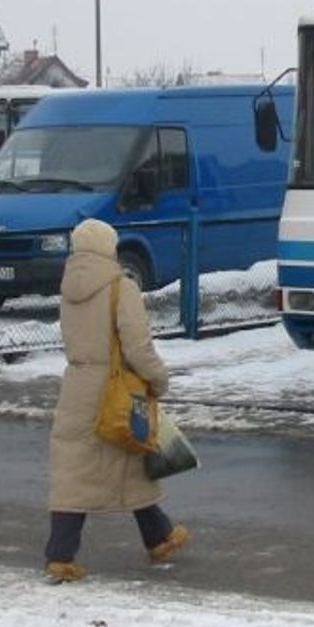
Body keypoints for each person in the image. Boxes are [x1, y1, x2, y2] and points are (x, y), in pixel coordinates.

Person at [44, 218, 189, 583]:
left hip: (78, 383)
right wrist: (158, 379)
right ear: (109, 247)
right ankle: (157, 537)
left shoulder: (69, 287)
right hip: (117, 386)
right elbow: (138, 346)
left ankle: (153, 537)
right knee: (133, 449)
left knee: (76, 470)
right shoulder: (120, 288)